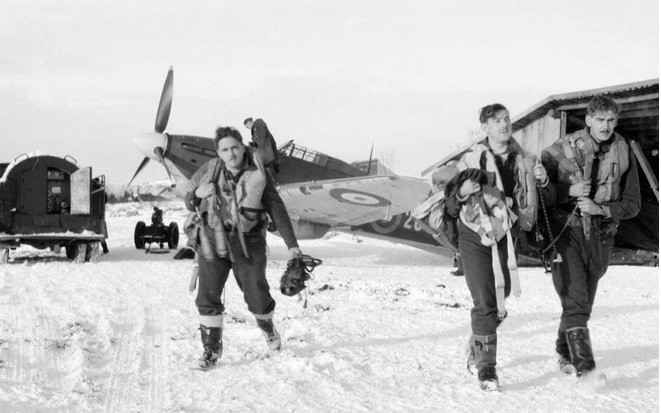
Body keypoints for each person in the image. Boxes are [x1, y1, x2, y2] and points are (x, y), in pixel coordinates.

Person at [443, 103, 546, 390]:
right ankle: (487, 369)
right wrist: (462, 192)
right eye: (496, 120)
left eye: (506, 119)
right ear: (485, 127)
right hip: (474, 235)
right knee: (486, 302)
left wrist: (543, 180)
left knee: (503, 296)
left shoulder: (524, 159)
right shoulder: (471, 160)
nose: (503, 124)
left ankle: (478, 339)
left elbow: (535, 200)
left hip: (506, 234)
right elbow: (449, 205)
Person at [538, 95, 640, 377]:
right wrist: (567, 192)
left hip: (601, 235)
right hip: (566, 232)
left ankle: (564, 352)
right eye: (600, 120)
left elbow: (633, 204)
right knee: (577, 299)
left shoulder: (624, 150)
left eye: (611, 120)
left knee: (583, 303)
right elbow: (538, 197)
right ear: (588, 120)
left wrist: (602, 209)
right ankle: (586, 369)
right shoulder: (560, 150)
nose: (606, 126)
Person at [184, 126, 302, 369]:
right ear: (219, 152)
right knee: (207, 296)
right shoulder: (209, 169)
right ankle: (211, 350)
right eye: (225, 150)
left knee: (257, 295)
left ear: (242, 146)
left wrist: (292, 246)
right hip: (212, 240)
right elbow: (188, 200)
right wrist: (198, 193)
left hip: (249, 243)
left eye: (235, 147)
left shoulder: (259, 171)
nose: (231, 153)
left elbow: (276, 209)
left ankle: (268, 330)